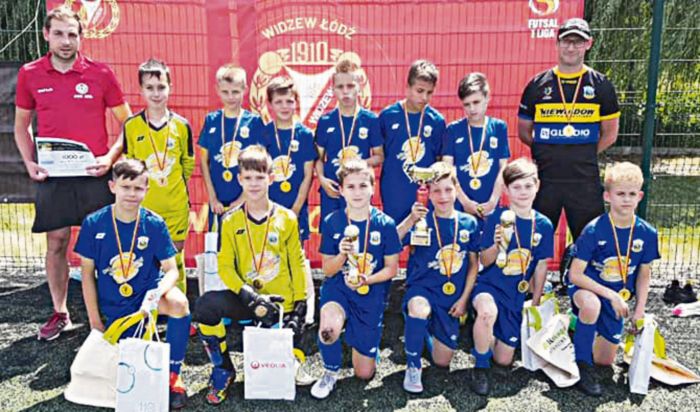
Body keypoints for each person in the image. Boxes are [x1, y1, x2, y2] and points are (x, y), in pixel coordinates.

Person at [13, 5, 131, 341]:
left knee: (105, 243)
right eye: (59, 34)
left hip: (94, 174)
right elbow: (21, 126)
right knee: (57, 241)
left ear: (81, 37)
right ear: (46, 35)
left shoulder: (101, 73)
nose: (66, 41)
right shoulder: (29, 73)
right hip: (53, 177)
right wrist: (30, 162)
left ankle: (113, 310)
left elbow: (129, 124)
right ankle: (60, 312)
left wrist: (110, 157)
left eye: (72, 35)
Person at [193, 145, 307, 405]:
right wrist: (248, 294)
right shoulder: (230, 221)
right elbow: (225, 266)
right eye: (248, 177)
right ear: (239, 179)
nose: (254, 183)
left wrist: (300, 305)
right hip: (247, 299)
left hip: (280, 303)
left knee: (284, 367)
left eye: (259, 177)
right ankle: (223, 369)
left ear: (271, 178)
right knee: (205, 306)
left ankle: (294, 355)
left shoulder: (287, 218)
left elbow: (297, 263)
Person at [74, 159, 191, 409]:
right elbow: (87, 275)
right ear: (112, 186)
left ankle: (173, 375)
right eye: (126, 187)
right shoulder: (94, 223)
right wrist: (95, 322)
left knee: (179, 303)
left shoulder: (154, 223)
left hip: (146, 302)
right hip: (114, 305)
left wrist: (156, 294)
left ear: (146, 190)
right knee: (123, 369)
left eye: (138, 188)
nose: (131, 194)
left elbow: (172, 271)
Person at [518, 18, 620, 246]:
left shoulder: (601, 85)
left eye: (578, 42)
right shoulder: (537, 85)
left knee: (590, 244)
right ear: (557, 43)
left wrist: (582, 153)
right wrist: (546, 150)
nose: (571, 47)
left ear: (588, 44)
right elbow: (524, 132)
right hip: (545, 179)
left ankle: (580, 272)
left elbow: (610, 134)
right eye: (566, 41)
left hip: (584, 180)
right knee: (533, 243)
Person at [310, 158, 401, 399]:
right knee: (328, 329)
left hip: (369, 293)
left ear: (373, 188)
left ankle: (366, 346)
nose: (357, 192)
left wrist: (366, 280)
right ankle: (330, 372)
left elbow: (391, 269)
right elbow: (328, 270)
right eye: (350, 186)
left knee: (364, 374)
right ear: (341, 190)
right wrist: (342, 254)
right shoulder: (332, 222)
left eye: (363, 185)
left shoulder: (386, 224)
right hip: (338, 288)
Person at [567, 162, 659, 396]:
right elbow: (575, 275)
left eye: (631, 194)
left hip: (617, 298)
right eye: (620, 194)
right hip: (587, 290)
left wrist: (639, 311)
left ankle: (579, 328)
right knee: (591, 305)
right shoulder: (593, 230)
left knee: (605, 361)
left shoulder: (647, 233)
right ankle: (582, 365)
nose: (626, 199)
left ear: (640, 196)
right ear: (607, 196)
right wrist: (611, 295)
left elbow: (644, 274)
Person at [469, 158, 553, 395]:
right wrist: (497, 244)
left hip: (516, 295)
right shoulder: (497, 218)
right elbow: (485, 261)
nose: (523, 192)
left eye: (528, 186)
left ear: (537, 186)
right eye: (516, 187)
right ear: (506, 190)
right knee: (487, 312)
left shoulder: (543, 225)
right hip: (489, 287)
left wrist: (535, 301)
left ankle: (484, 334)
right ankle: (480, 366)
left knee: (504, 361)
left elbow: (541, 265)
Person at [396, 162, 480, 394]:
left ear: (456, 190)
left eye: (448, 189)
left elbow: (474, 265)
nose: (443, 196)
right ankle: (413, 365)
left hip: (451, 297)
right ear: (428, 194)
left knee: (442, 361)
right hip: (422, 290)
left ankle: (422, 331)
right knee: (419, 309)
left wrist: (464, 300)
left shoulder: (469, 223)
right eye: (436, 191)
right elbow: (391, 240)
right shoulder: (421, 221)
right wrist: (410, 220)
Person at [123, 58, 193, 292]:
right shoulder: (131, 126)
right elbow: (131, 166)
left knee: (175, 256)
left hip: (175, 206)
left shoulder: (181, 126)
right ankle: (149, 306)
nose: (156, 93)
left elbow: (187, 165)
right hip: (145, 207)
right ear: (141, 90)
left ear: (170, 87)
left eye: (161, 87)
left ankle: (179, 306)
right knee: (144, 256)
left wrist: (170, 186)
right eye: (150, 87)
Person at [315, 59, 384, 221]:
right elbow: (318, 158)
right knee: (331, 232)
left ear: (359, 87)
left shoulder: (370, 120)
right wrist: (322, 180)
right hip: (332, 189)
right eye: (340, 87)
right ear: (333, 89)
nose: (345, 92)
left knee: (360, 231)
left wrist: (357, 164)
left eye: (350, 86)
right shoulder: (325, 121)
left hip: (358, 190)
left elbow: (379, 156)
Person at [379, 59, 446, 224]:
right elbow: (379, 155)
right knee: (394, 236)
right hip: (394, 193)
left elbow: (440, 162)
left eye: (429, 92)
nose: (424, 97)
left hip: (426, 195)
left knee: (423, 236)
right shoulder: (387, 116)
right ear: (407, 87)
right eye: (419, 91)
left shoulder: (436, 121)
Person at [199, 64, 265, 230]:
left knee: (246, 243)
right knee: (220, 244)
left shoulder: (254, 122)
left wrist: (243, 198)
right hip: (218, 204)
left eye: (235, 92)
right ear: (217, 90)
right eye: (225, 92)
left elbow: (261, 165)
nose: (230, 97)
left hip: (247, 201)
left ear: (245, 90)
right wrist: (212, 198)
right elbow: (204, 162)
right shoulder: (211, 120)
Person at [444, 72, 509, 219]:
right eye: (466, 104)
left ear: (487, 98)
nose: (472, 109)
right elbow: (448, 168)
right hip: (460, 206)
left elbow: (503, 168)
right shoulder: (453, 130)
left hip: (490, 205)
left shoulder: (499, 127)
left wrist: (493, 201)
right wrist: (465, 202)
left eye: (476, 102)